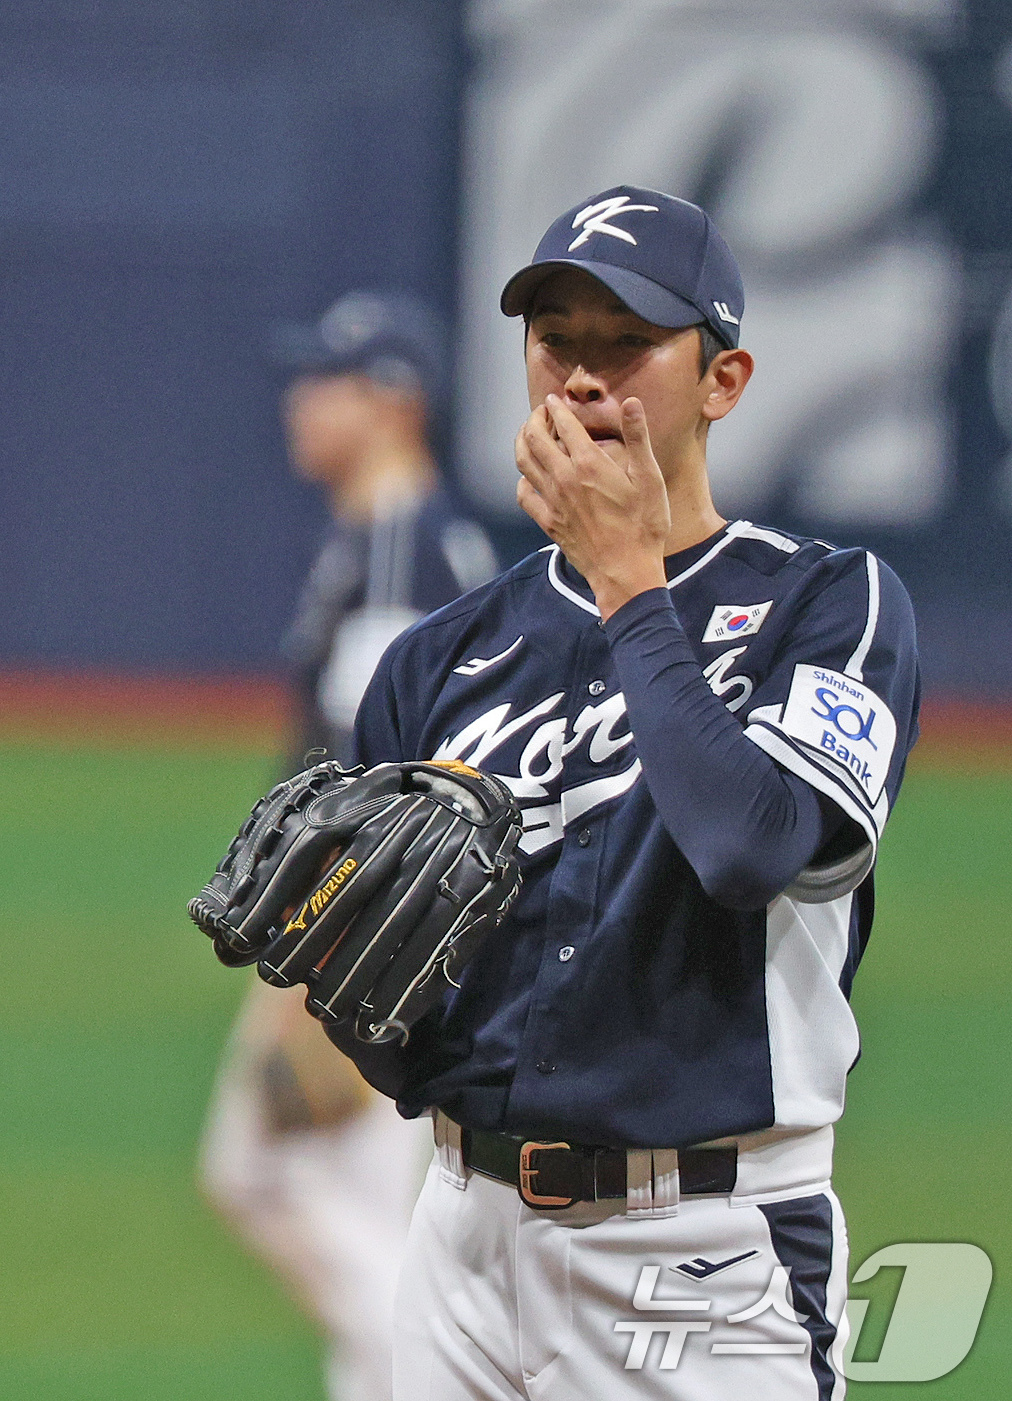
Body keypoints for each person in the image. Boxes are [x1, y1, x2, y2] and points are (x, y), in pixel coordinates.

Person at [325, 188, 920, 1399]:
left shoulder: (830, 606)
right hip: (459, 1243)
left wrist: (631, 589)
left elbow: (753, 845)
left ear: (723, 379)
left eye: (628, 345)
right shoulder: (437, 658)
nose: (584, 381)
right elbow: (382, 998)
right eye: (557, 343)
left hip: (699, 1255)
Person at [200, 290, 498, 1401]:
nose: (299, 401)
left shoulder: (400, 556)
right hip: (395, 942)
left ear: (391, 403)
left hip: (372, 945)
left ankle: (437, 1369)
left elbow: (378, 794)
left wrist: (308, 969)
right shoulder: (397, 538)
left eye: (324, 381)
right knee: (355, 1208)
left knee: (263, 1177)